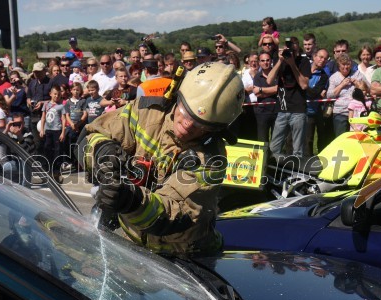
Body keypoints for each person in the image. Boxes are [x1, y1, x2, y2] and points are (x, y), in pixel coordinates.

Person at [80, 62, 244, 257]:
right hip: (129, 242)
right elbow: (89, 137)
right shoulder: (146, 112)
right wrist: (103, 152)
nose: (188, 125)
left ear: (217, 129)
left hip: (183, 257)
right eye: (186, 112)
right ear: (177, 96)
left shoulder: (211, 159)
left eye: (202, 125)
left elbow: (175, 217)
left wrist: (130, 201)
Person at [267, 36, 311, 158]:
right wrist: (280, 61)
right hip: (282, 109)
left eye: (293, 46)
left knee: (298, 150)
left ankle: (297, 174)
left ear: (297, 48)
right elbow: (269, 80)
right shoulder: (279, 60)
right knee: (274, 148)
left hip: (298, 111)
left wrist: (292, 64)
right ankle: (276, 172)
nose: (290, 50)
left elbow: (303, 85)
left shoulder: (304, 61)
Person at [327, 53, 365, 136]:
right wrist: (341, 85)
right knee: (341, 137)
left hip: (357, 113)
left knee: (357, 138)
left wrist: (358, 84)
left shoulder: (358, 74)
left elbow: (368, 89)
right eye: (343, 65)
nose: (346, 67)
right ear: (338, 66)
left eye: (348, 64)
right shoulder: (334, 77)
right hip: (341, 112)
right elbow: (329, 95)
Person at [304, 48, 329, 157]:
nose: (322, 60)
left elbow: (313, 94)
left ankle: (321, 158)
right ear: (314, 57)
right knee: (307, 139)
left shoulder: (323, 76)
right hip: (301, 110)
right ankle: (307, 160)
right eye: (320, 57)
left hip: (314, 110)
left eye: (325, 58)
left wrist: (304, 86)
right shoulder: (303, 70)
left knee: (319, 137)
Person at [40, 85, 66, 181]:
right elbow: (43, 117)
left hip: (57, 130)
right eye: (55, 94)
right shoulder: (46, 105)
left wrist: (63, 132)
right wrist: (42, 129)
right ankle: (47, 170)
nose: (56, 96)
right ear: (50, 94)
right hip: (48, 130)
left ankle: (56, 171)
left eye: (58, 95)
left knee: (57, 151)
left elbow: (63, 119)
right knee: (47, 150)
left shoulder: (61, 106)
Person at [27, 62, 53, 154]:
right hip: (34, 115)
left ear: (44, 71)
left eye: (39, 72)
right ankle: (40, 161)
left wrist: (43, 103)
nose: (37, 74)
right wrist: (29, 101)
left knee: (47, 141)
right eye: (35, 72)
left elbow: (56, 99)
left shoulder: (51, 82)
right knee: (37, 142)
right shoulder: (32, 83)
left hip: (47, 116)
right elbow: (28, 96)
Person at [252, 51, 278, 142]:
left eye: (267, 60)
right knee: (262, 140)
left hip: (277, 111)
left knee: (276, 140)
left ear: (271, 61)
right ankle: (265, 156)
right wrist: (273, 89)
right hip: (262, 112)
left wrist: (261, 89)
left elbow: (279, 89)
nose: (265, 62)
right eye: (262, 61)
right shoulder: (257, 77)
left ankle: (275, 156)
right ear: (259, 62)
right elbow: (257, 93)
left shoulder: (277, 74)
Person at [3, 113, 36, 184]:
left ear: (24, 123)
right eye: (16, 123)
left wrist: (19, 135)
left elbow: (26, 151)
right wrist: (6, 130)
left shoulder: (28, 134)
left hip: (28, 164)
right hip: (15, 163)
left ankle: (26, 187)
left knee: (24, 160)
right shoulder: (9, 133)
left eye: (20, 123)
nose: (18, 125)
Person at [64, 82, 87, 168]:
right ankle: (70, 161)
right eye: (74, 90)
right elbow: (67, 115)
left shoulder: (83, 101)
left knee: (79, 143)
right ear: (71, 90)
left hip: (80, 126)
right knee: (70, 144)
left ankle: (79, 162)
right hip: (71, 127)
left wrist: (79, 123)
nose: (76, 91)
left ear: (80, 90)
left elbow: (85, 114)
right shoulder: (68, 102)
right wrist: (72, 124)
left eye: (77, 90)